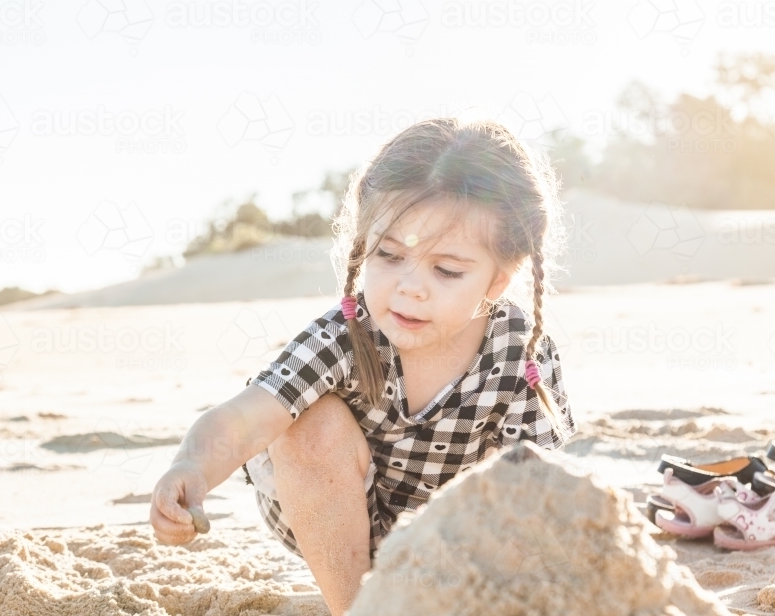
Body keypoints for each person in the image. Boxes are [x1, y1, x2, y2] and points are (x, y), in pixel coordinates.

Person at [149, 117, 577, 616]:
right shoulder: (346, 335)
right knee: (308, 419)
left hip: (455, 539)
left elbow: (541, 496)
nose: (410, 287)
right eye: (389, 255)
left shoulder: (518, 354)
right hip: (332, 522)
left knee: (525, 483)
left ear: (497, 281)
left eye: (446, 270)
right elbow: (245, 418)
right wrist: (192, 466)